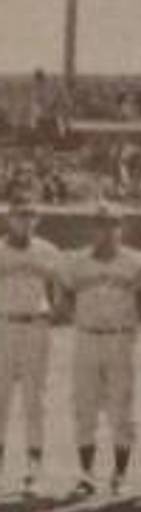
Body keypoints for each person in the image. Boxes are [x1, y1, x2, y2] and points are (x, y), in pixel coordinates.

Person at [59, 203, 141, 496]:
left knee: (122, 408)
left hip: (120, 339)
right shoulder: (76, 262)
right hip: (87, 338)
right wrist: (74, 315)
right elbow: (64, 293)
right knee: (84, 407)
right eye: (101, 224)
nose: (107, 230)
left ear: (121, 228)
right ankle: (86, 475)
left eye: (113, 224)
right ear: (92, 228)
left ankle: (120, 474)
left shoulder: (136, 263)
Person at [0, 193, 61, 496]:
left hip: (36, 327)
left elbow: (59, 288)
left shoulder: (48, 251)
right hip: (3, 326)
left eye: (30, 215)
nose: (25, 221)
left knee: (34, 400)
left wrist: (53, 313)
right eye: (19, 214)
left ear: (37, 220)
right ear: (8, 218)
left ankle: (33, 471)